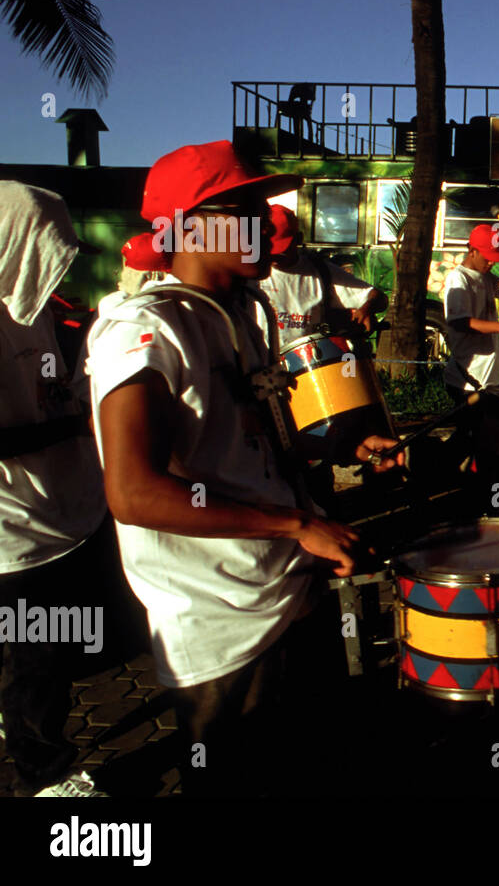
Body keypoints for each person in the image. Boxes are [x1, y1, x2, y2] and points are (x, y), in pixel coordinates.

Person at [84, 140, 403, 796]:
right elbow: (133, 491)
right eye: (247, 209)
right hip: (223, 630)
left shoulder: (242, 314)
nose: (269, 223)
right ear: (191, 224)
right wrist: (294, 525)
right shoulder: (143, 328)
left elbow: (245, 447)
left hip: (287, 595)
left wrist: (340, 448)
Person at [0, 182, 111, 797]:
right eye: (45, 250)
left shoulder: (36, 310)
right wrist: (73, 425)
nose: (57, 264)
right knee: (37, 659)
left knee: (46, 653)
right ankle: (44, 775)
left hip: (66, 514)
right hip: (14, 529)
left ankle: (24, 731)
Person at [257, 204, 386, 341]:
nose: (274, 256)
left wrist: (367, 308)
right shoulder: (251, 275)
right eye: (268, 247)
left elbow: (378, 297)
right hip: (260, 359)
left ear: (298, 239)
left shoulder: (320, 271)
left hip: (305, 357)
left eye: (281, 250)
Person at [442, 222, 499, 401]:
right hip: (467, 380)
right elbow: (460, 322)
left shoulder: (486, 277)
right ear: (472, 251)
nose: (491, 263)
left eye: (493, 258)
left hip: (491, 378)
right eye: (487, 257)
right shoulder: (458, 278)